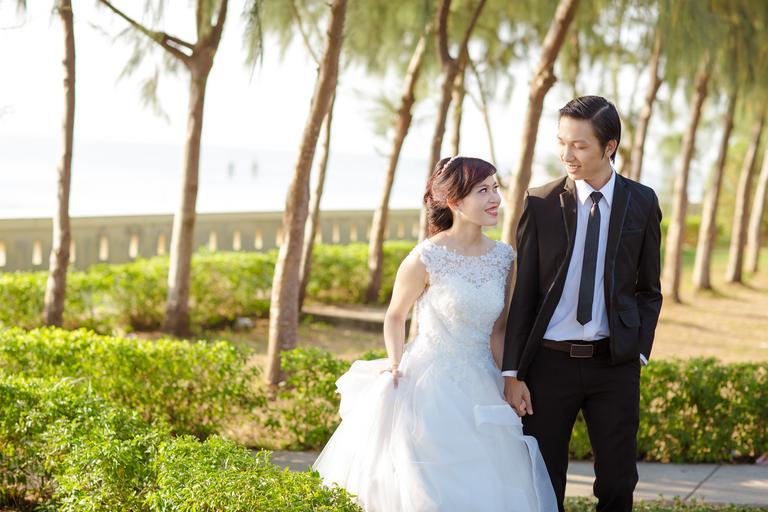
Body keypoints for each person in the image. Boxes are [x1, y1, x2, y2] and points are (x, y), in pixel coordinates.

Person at [313, 156, 557, 511]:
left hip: (482, 381)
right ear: (455, 202)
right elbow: (395, 315)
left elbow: (499, 330)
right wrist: (395, 364)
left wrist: (509, 378)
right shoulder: (426, 257)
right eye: (482, 191)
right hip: (429, 383)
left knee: (486, 481)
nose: (495, 199)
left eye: (495, 188)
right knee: (429, 485)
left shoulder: (504, 258)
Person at [502, 96, 663, 512]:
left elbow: (649, 288)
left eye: (579, 145)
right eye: (562, 142)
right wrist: (513, 372)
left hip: (614, 363)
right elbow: (524, 293)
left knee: (618, 481)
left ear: (609, 147)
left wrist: (638, 350)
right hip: (549, 364)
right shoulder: (540, 202)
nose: (566, 154)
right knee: (543, 478)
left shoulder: (642, 202)